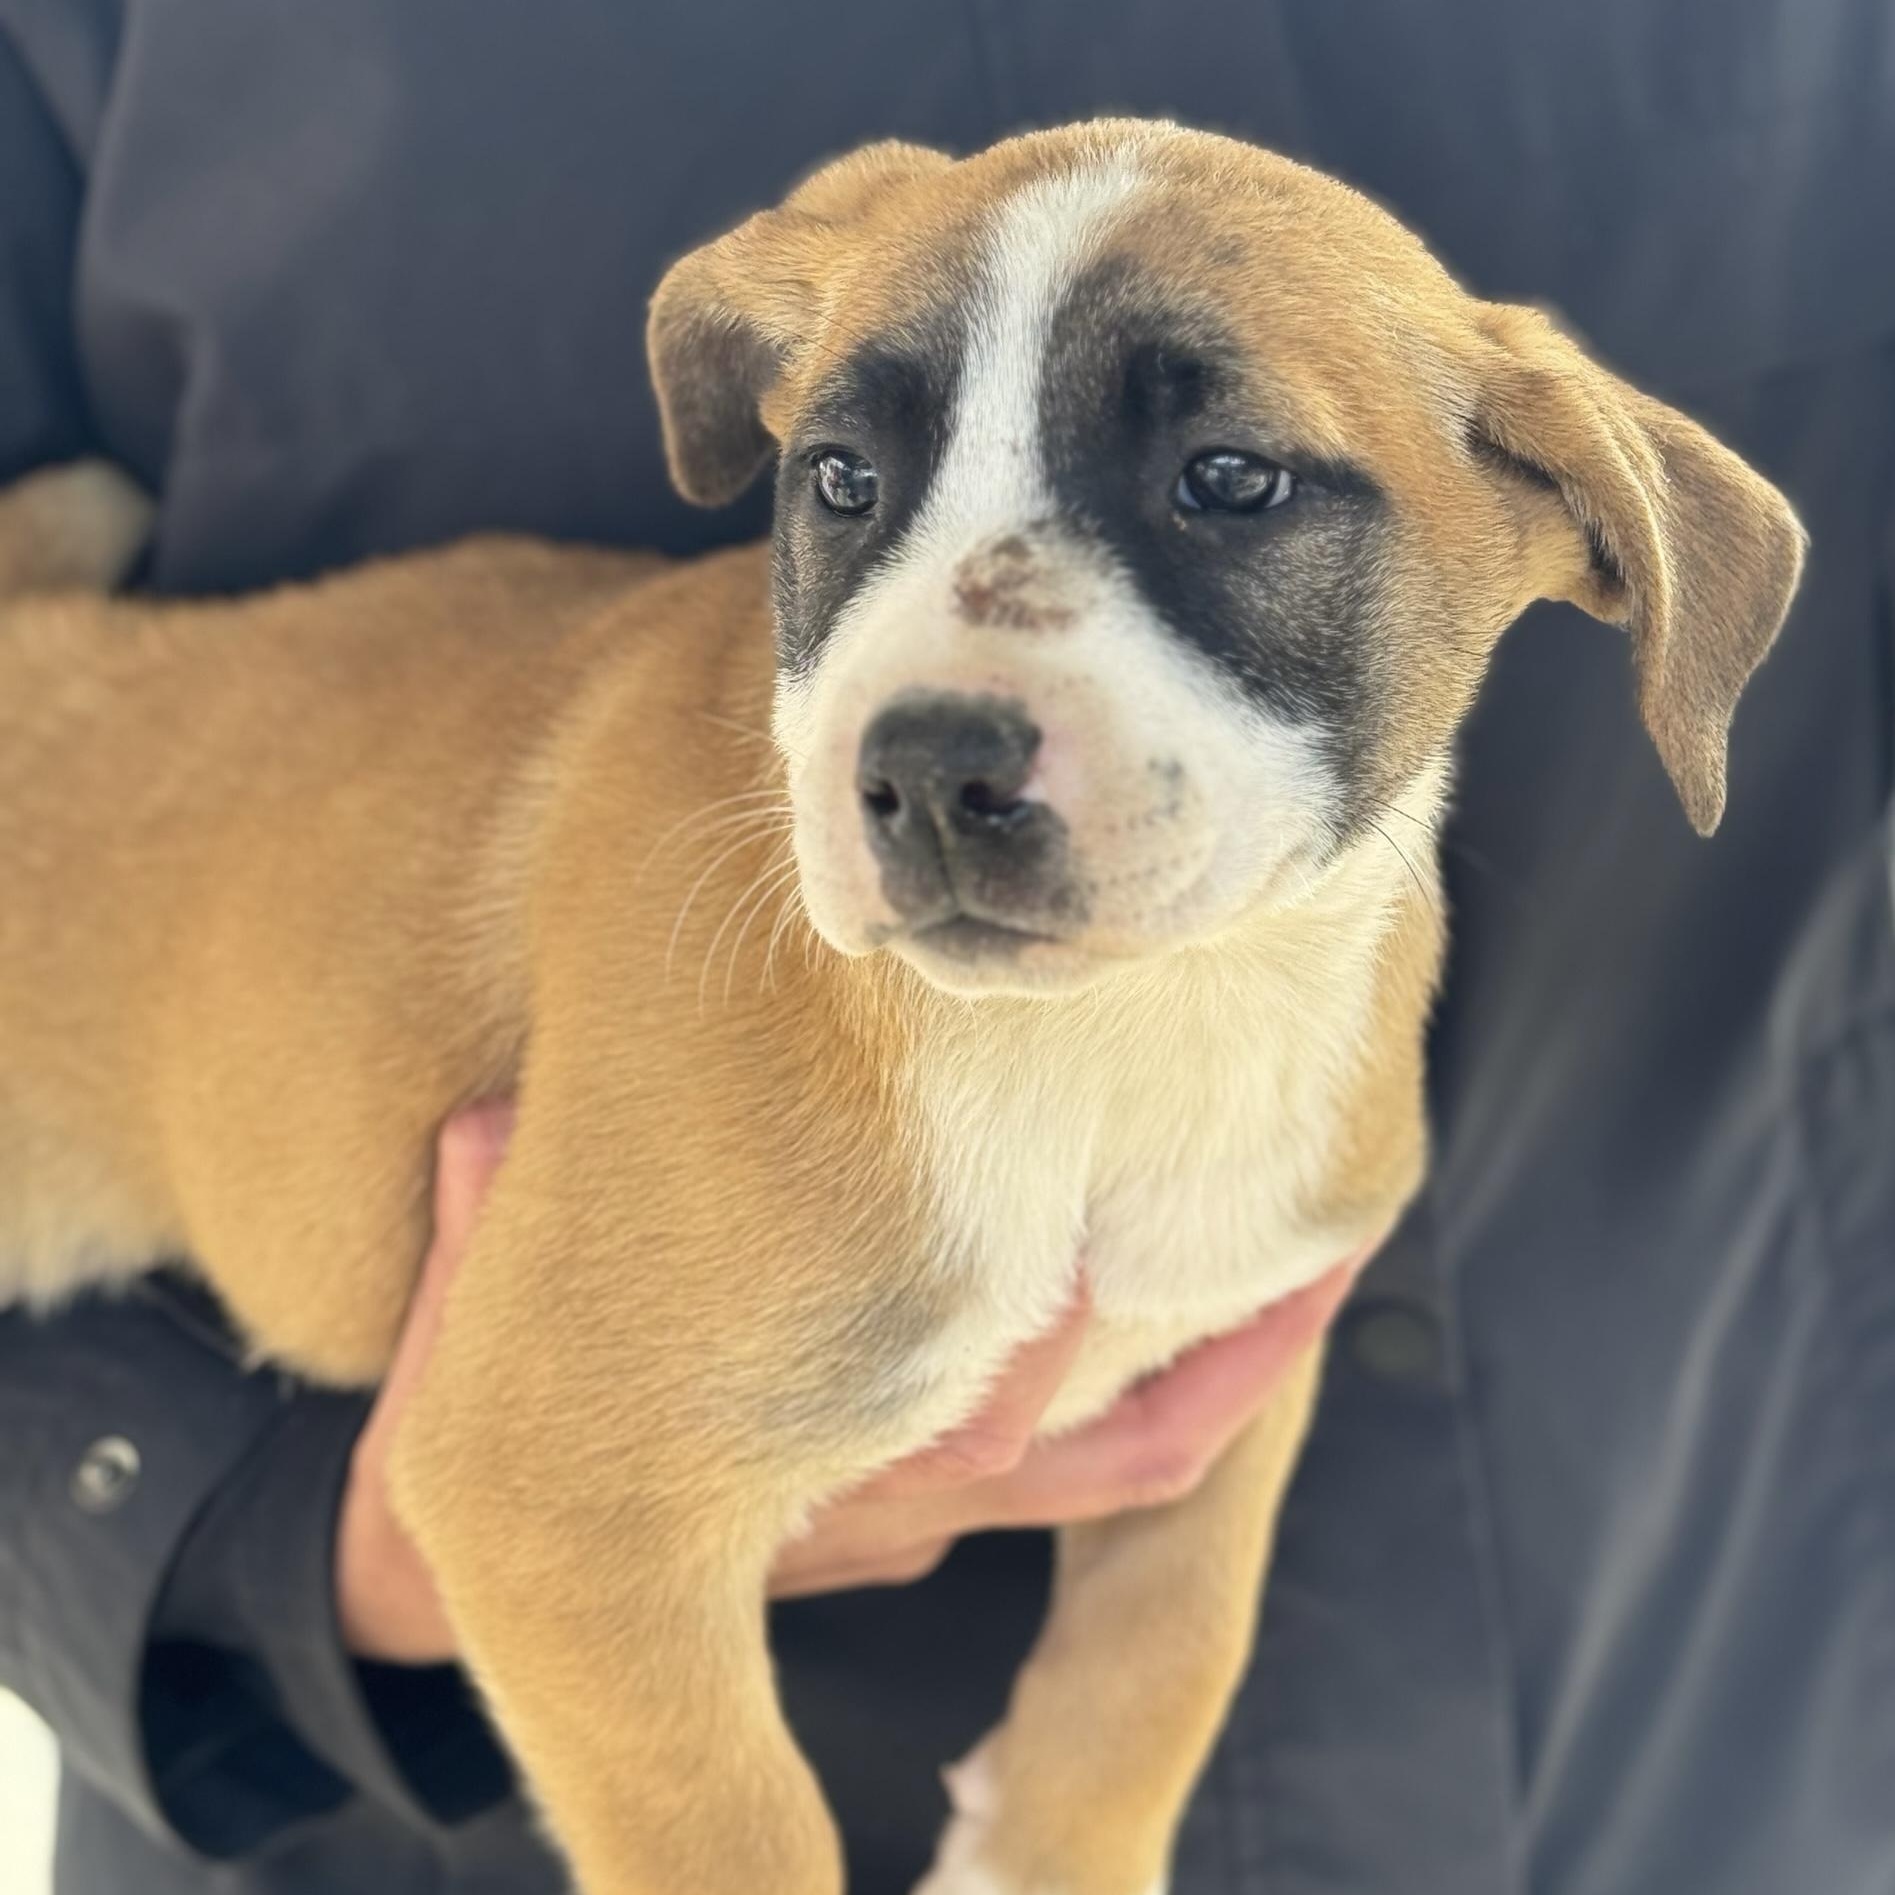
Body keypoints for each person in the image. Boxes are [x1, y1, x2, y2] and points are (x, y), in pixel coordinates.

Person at [1, 4, 1890, 1892]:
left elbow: (1242, 1317)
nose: (952, 709)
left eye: (1229, 485)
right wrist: (192, 1534)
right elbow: (538, 1500)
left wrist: (1092, 1810)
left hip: (1695, 1718)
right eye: (849, 483)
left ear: (1573, 522)